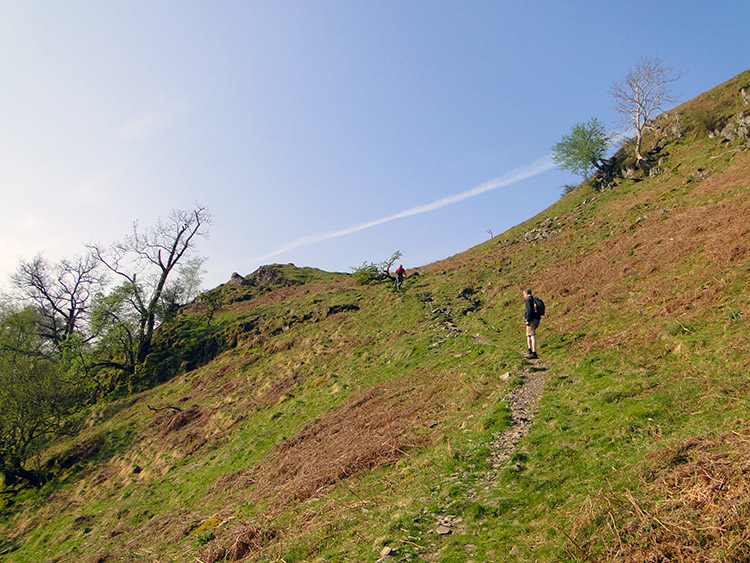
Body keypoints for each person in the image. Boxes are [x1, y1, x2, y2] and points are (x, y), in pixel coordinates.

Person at [523, 289, 540, 359]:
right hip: (537, 320)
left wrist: (527, 320)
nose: (524, 296)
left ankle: (533, 352)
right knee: (529, 334)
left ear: (526, 293)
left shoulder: (528, 300)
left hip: (531, 320)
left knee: (532, 335)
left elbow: (529, 310)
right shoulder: (535, 299)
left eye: (524, 294)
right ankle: (529, 349)